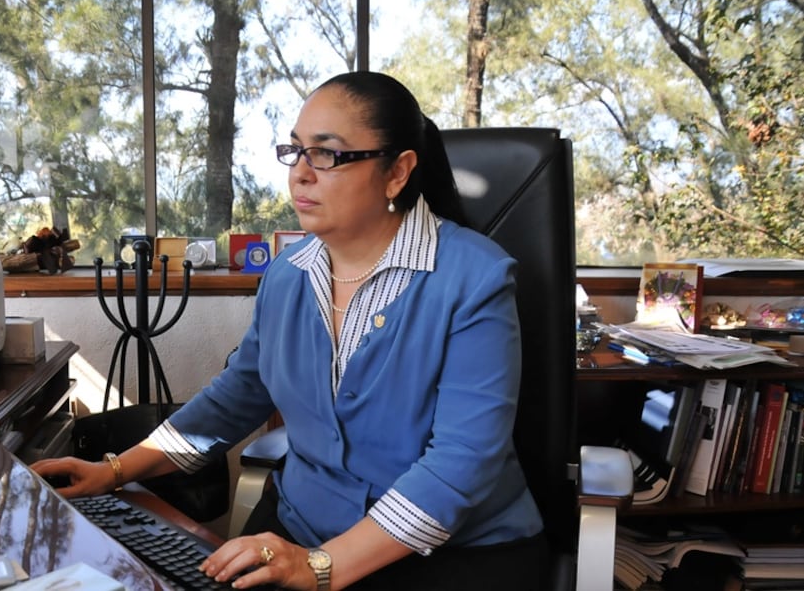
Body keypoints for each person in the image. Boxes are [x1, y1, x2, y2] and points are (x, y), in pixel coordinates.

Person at [32, 71, 547, 590]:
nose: (300, 174)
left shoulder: (474, 278)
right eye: (295, 151)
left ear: (397, 172)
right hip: (299, 529)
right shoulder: (287, 274)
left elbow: (461, 464)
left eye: (326, 154)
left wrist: (320, 567)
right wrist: (115, 470)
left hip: (445, 553)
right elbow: (234, 400)